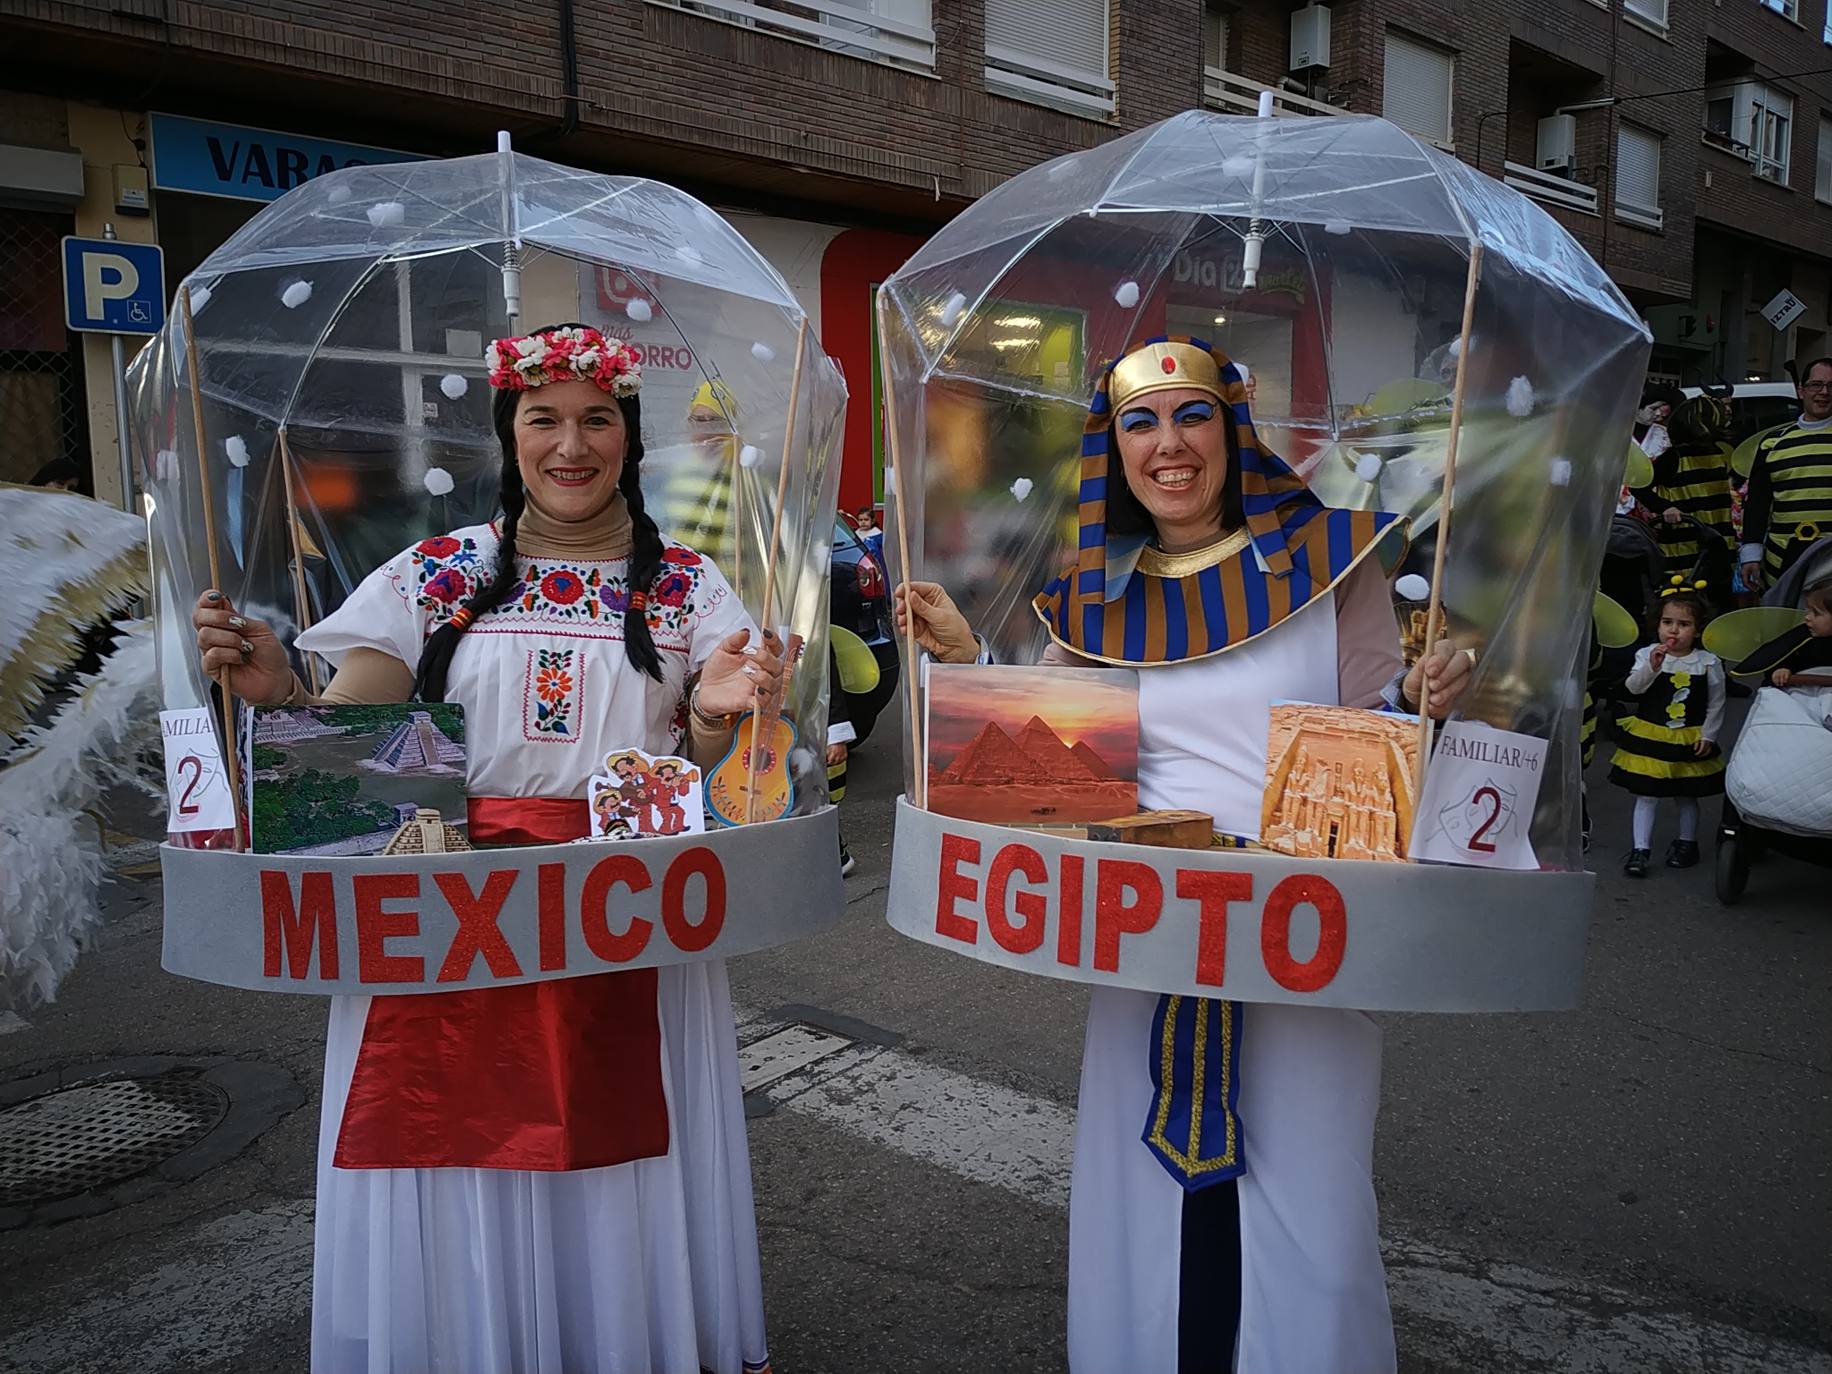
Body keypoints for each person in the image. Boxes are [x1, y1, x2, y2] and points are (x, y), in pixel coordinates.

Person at [192, 322, 787, 1374]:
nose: (571, 443)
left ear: (628, 437)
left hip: (618, 912)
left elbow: (703, 753)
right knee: (448, 1138)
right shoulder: (436, 572)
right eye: (542, 418)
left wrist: (716, 715)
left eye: (596, 419)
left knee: (615, 1141)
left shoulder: (690, 588)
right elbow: (356, 723)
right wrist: (280, 691)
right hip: (443, 900)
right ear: (507, 435)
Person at [896, 337, 1472, 1374]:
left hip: (1302, 926)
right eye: (1139, 422)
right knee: (1142, 1190)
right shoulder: (1089, 599)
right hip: (1145, 934)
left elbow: (1380, 732)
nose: (1168, 445)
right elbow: (1053, 753)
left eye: (1189, 414)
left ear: (1231, 427)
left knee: (1312, 1197)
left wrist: (1421, 705)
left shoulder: (1333, 562)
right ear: (1111, 450)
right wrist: (966, 663)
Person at [1607, 578, 1725, 878]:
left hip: (1689, 737)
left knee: (1686, 795)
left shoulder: (1708, 663)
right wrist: (1652, 666)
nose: (1673, 630)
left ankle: (1687, 843)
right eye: (1667, 622)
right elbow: (1632, 689)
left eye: (1683, 624)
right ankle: (1640, 849)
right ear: (1657, 624)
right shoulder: (1647, 655)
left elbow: (1716, 703)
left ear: (1697, 630)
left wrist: (1709, 735)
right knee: (1646, 795)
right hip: (1652, 736)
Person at [1741, 358, 1832, 591]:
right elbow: (1758, 503)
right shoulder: (1772, 443)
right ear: (1801, 391)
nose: (1824, 392)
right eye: (1816, 385)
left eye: (1831, 386)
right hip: (1783, 558)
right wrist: (1751, 553)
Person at [1637, 393, 1735, 604]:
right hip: (1685, 548)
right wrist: (1665, 507)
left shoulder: (1718, 454)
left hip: (1716, 543)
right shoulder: (1675, 458)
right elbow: (1639, 485)